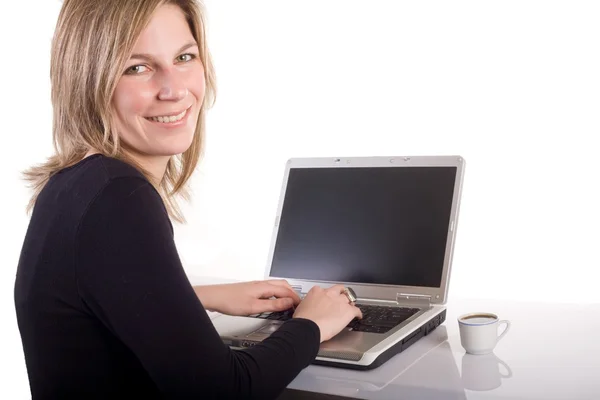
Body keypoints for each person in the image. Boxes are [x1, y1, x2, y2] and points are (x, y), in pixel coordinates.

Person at [13, 0, 363, 399]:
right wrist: (312, 324)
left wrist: (195, 298)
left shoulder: (72, 183)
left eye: (184, 57)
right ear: (88, 81)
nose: (174, 90)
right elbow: (223, 390)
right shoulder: (118, 196)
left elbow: (84, 308)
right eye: (137, 67)